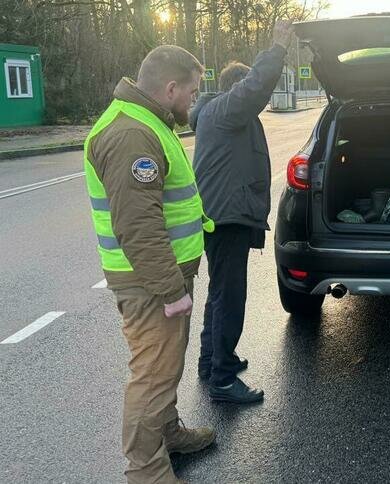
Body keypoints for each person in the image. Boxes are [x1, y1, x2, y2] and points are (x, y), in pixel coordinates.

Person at [84, 45, 215, 482]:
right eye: (192, 92)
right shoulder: (131, 134)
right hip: (151, 284)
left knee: (166, 366)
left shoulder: (147, 121)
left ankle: (168, 434)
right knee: (153, 375)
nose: (194, 100)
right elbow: (138, 226)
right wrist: (171, 290)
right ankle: (146, 471)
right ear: (171, 88)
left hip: (160, 277)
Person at [189, 20, 293, 404]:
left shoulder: (216, 114)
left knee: (219, 293)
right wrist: (278, 47)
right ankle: (223, 380)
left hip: (221, 215)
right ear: (236, 89)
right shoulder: (225, 109)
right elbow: (255, 88)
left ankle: (212, 362)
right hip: (226, 217)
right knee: (229, 297)